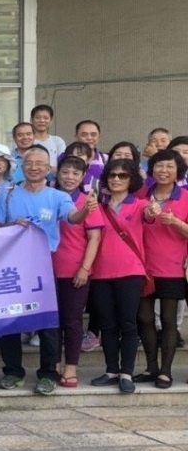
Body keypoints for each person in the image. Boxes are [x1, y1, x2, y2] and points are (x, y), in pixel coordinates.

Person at [0, 146, 93, 395]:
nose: (34, 167)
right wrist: (11, 223)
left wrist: (86, 210)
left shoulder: (58, 196)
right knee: (11, 320)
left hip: (44, 264)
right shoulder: (7, 194)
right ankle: (13, 371)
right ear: (22, 166)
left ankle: (48, 373)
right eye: (30, 162)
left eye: (40, 163)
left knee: (49, 322)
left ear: (49, 168)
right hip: (13, 264)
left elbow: (72, 217)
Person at [90, 158, 147, 393]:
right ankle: (111, 369)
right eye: (112, 175)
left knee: (128, 324)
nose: (116, 179)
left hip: (131, 272)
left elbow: (152, 216)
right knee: (107, 325)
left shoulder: (141, 204)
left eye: (122, 176)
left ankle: (127, 373)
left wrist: (154, 211)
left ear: (131, 179)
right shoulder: (97, 207)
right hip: (101, 273)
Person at [136, 149, 188, 387]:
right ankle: (151, 367)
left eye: (169, 167)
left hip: (173, 267)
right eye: (159, 166)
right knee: (144, 318)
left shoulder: (186, 197)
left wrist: (177, 223)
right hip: (142, 265)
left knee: (168, 320)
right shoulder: (141, 194)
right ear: (152, 169)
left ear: (178, 171)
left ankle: (166, 371)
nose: (163, 171)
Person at [51, 155, 102, 389]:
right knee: (51, 322)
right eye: (65, 172)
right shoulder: (49, 197)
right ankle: (52, 363)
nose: (69, 177)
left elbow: (94, 238)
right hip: (45, 269)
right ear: (57, 172)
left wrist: (84, 268)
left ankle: (70, 366)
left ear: (83, 177)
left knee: (71, 321)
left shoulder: (87, 201)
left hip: (74, 270)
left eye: (75, 173)